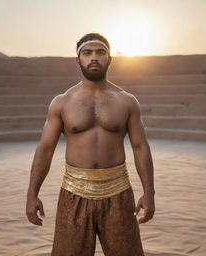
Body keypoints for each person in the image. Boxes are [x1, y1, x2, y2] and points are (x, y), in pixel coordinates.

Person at [26, 33, 155, 256]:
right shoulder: (62, 102)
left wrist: (149, 193)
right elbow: (45, 149)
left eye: (100, 52)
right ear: (78, 60)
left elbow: (140, 147)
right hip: (73, 193)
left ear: (109, 59)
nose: (93, 57)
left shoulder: (126, 101)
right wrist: (32, 194)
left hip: (118, 193)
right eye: (87, 53)